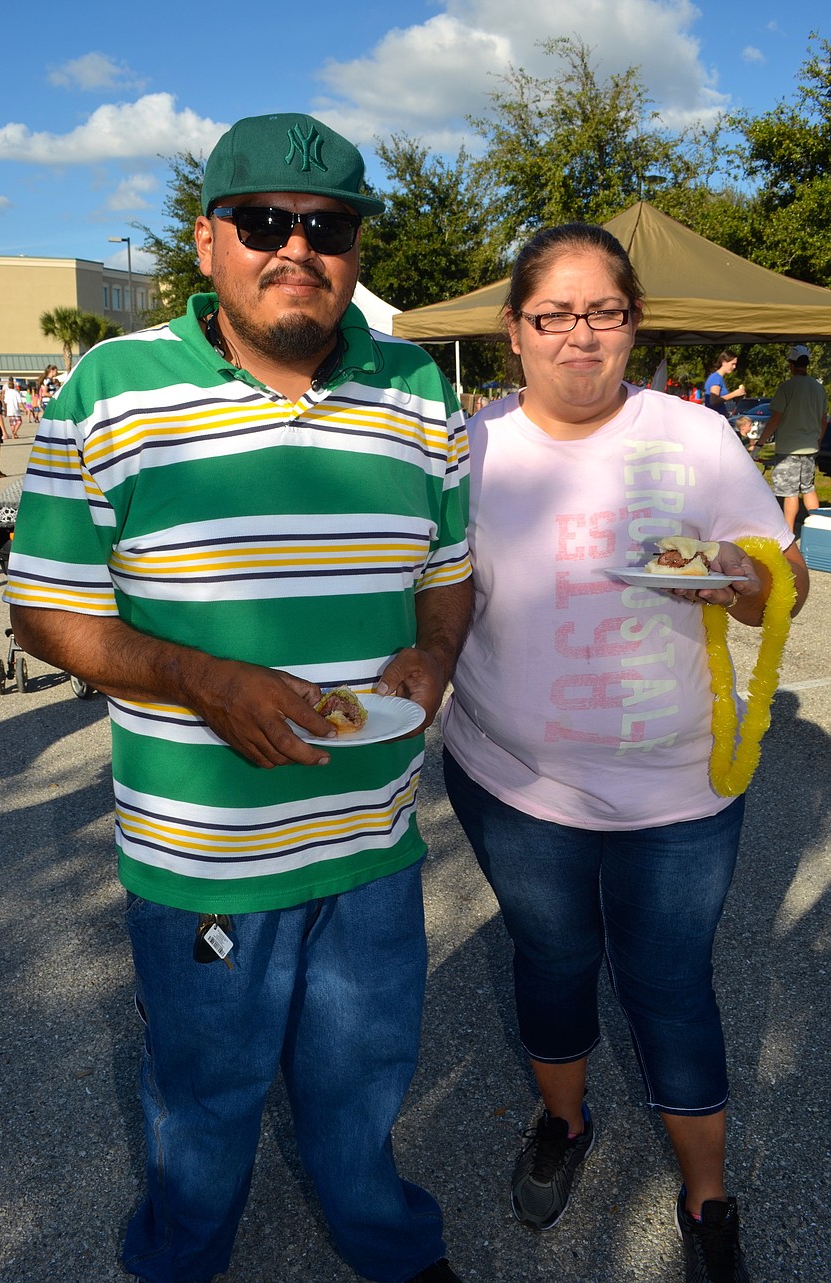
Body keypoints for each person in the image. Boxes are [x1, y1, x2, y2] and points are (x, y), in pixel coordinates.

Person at [6, 112, 472, 1283]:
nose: (297, 247)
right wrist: (199, 673)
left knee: (364, 1083)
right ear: (209, 239)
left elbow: (448, 578)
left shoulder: (415, 385)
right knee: (204, 1102)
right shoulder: (113, 387)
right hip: (203, 854)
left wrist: (433, 657)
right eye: (265, 221)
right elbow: (43, 611)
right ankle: (180, 1257)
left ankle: (387, 1246)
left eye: (328, 227)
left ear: (354, 249)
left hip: (371, 837)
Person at [441, 223, 808, 1283]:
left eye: (602, 310)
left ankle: (707, 1197)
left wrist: (738, 582)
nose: (579, 335)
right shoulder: (471, 450)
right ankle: (563, 1121)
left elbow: (784, 580)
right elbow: (436, 594)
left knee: (669, 984)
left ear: (632, 319)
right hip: (513, 785)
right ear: (514, 331)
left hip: (676, 793)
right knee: (551, 961)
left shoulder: (692, 435)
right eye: (552, 313)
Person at [751, 344, 828, 533]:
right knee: (808, 489)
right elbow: (823, 420)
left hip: (789, 450)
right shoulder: (819, 389)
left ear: (791, 364)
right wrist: (818, 441)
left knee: (790, 494)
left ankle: (788, 536)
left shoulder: (786, 387)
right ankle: (820, 531)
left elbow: (775, 419)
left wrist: (759, 444)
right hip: (810, 448)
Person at [704, 349, 745, 416]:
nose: (734, 367)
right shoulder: (716, 378)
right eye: (732, 364)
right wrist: (734, 394)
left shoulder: (718, 378)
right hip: (714, 418)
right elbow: (713, 402)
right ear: (724, 362)